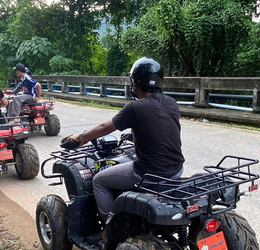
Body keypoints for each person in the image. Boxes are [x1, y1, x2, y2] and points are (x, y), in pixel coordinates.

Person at [68, 57, 185, 221]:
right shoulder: (172, 103)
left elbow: (104, 128)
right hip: (177, 170)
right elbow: (159, 127)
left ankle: (110, 226)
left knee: (99, 180)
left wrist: (80, 137)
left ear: (136, 82)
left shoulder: (135, 107)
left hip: (148, 174)